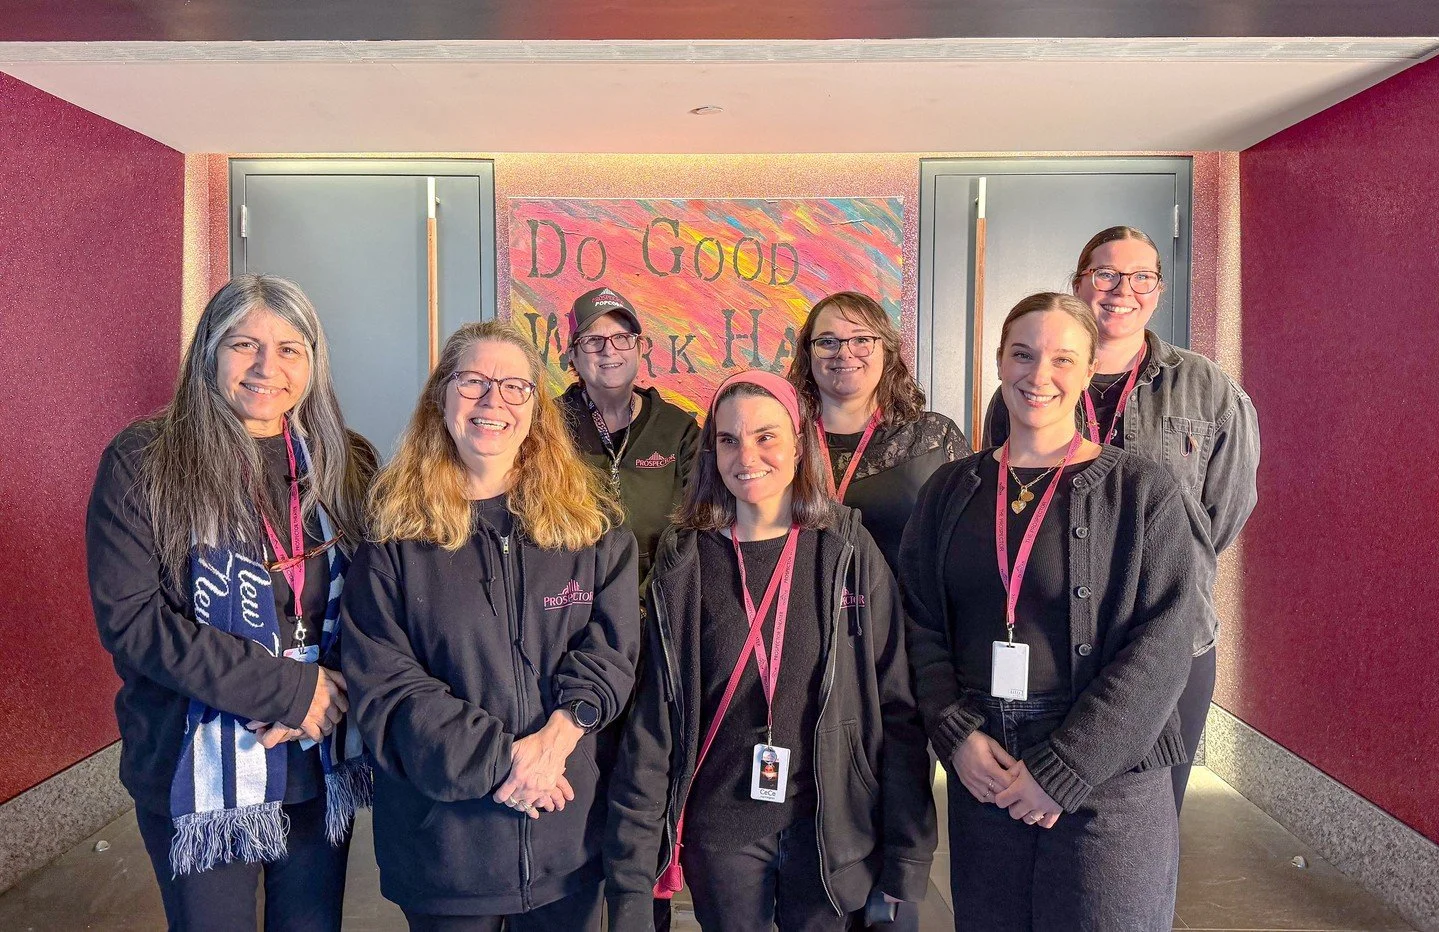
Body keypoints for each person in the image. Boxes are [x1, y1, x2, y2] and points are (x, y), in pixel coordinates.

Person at [905, 293, 1206, 930]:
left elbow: (1164, 642)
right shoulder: (949, 490)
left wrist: (1066, 767)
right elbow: (918, 622)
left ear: (1089, 369)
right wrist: (956, 735)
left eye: (1063, 359)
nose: (1039, 374)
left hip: (1109, 779)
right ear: (999, 362)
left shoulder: (1142, 490)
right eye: (1023, 354)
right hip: (986, 767)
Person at [86, 275, 376, 932]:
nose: (267, 367)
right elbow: (133, 621)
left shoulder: (345, 460)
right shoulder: (146, 461)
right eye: (245, 345)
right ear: (209, 351)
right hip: (194, 770)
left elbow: (378, 599)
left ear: (313, 361)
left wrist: (335, 687)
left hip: (316, 755)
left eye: (290, 349)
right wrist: (287, 691)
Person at [605, 370, 936, 932]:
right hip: (720, 836)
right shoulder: (685, 561)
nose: (746, 456)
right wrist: (631, 877)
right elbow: (655, 724)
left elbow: (898, 710)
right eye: (728, 440)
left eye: (766, 437)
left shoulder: (847, 552)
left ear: (799, 444)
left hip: (830, 832)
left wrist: (908, 854)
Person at [341, 320, 642, 932]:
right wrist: (506, 761)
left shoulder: (593, 526)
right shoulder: (393, 535)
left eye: (513, 387)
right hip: (445, 851)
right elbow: (388, 687)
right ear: (441, 398)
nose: (492, 401)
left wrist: (554, 741)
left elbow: (611, 652)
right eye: (473, 381)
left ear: (536, 408)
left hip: (566, 837)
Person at [983, 227, 1259, 810]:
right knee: (1037, 806)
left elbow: (1224, 512)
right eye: (1105, 273)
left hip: (1169, 636)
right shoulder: (1026, 390)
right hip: (1049, 636)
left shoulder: (1207, 389)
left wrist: (1161, 566)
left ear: (1158, 290)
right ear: (1079, 282)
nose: (1122, 290)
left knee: (1146, 814)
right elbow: (1004, 504)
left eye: (1142, 277)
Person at [558, 286, 700, 588]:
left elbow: (698, 523)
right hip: (573, 601)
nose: (609, 350)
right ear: (573, 355)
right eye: (593, 340)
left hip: (660, 599)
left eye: (622, 338)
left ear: (640, 348)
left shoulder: (678, 430)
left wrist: (652, 596)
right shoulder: (548, 427)